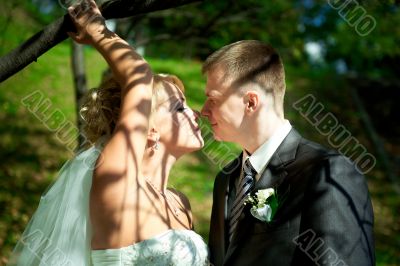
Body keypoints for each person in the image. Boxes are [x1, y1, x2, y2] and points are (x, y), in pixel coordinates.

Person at [8, 0, 209, 265]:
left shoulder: (180, 203)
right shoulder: (120, 183)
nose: (194, 113)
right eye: (179, 107)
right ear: (148, 129)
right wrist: (97, 28)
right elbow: (139, 76)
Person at [201, 40, 375, 266]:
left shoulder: (327, 172)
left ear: (251, 103)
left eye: (213, 99)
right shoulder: (225, 180)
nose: (203, 111)